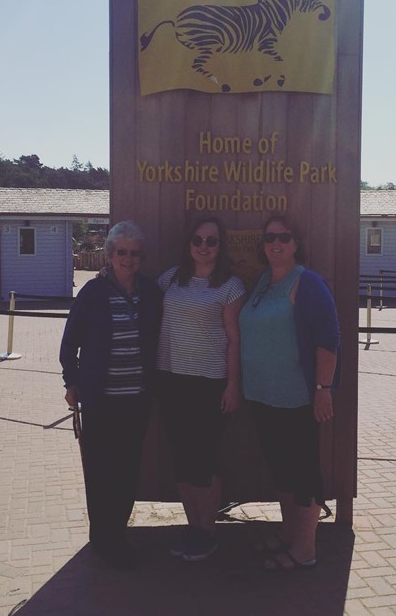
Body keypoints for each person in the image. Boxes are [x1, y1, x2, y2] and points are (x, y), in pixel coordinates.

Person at [239, 215, 340, 572]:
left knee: (303, 472)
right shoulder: (264, 281)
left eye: (283, 237)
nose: (275, 243)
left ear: (296, 243)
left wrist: (323, 389)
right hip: (262, 396)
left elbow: (328, 341)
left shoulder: (308, 283)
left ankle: (306, 548)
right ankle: (288, 535)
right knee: (281, 469)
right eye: (269, 237)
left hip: (296, 397)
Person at [59, 221, 163, 568]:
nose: (128, 258)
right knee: (101, 469)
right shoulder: (93, 292)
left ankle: (117, 533)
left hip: (137, 398)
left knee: (127, 469)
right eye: (122, 252)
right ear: (110, 254)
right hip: (101, 399)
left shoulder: (150, 292)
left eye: (134, 253)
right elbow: (69, 343)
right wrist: (70, 382)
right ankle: (101, 536)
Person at [157, 216, 245, 562]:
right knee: (182, 458)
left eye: (212, 241)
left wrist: (234, 386)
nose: (204, 247)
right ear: (189, 243)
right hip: (170, 378)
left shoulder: (230, 286)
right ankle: (194, 528)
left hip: (210, 383)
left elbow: (236, 340)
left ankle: (208, 532)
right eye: (198, 240)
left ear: (220, 247)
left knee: (203, 460)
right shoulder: (170, 279)